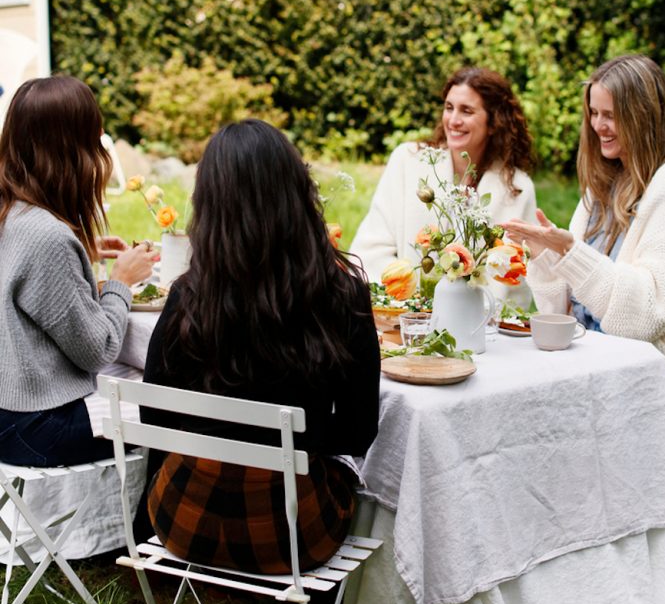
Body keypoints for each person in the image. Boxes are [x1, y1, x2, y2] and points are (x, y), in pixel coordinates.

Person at [143, 119, 381, 574]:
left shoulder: (189, 295)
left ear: (209, 203)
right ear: (297, 194)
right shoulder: (343, 295)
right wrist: (296, 440)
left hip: (183, 518)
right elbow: (357, 431)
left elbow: (156, 415)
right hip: (293, 532)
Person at [503, 54, 665, 401]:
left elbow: (646, 315)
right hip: (588, 363)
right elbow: (558, 313)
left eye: (611, 116)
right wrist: (544, 255)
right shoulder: (604, 182)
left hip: (645, 379)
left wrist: (570, 252)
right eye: (594, 113)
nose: (599, 125)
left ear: (643, 117)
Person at [0, 76, 157, 466]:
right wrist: (121, 280)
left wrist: (83, 257)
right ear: (72, 146)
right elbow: (97, 349)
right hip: (38, 427)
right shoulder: (47, 238)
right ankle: (147, 524)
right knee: (173, 409)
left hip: (10, 415)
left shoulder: (11, 214)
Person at [351, 66, 537, 282]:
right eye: (449, 108)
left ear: (494, 122)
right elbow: (372, 247)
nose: (453, 120)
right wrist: (408, 299)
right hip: (408, 308)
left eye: (466, 111)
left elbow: (520, 272)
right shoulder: (407, 161)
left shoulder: (516, 187)